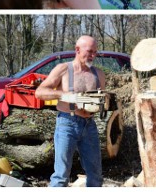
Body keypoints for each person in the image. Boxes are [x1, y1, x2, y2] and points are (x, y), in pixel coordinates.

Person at [35, 36, 106, 187]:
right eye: (90, 52)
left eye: (95, 52)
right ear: (77, 50)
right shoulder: (63, 69)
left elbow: (103, 101)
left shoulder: (98, 74)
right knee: (61, 175)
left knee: (96, 175)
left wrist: (103, 103)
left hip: (89, 125)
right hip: (67, 123)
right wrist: (64, 95)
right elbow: (39, 92)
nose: (93, 55)